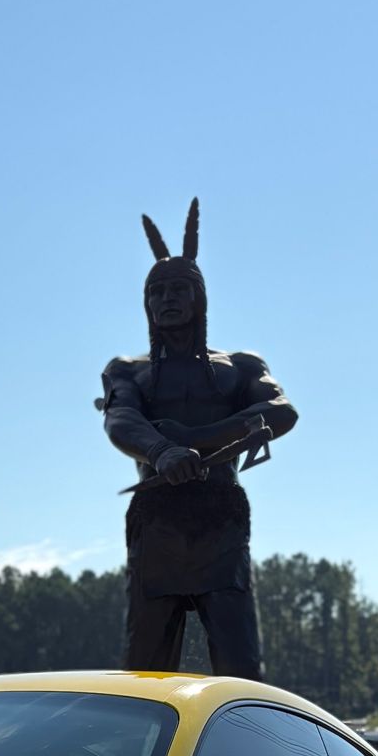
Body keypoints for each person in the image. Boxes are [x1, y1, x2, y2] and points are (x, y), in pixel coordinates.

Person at [100, 199, 297, 676]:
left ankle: (246, 742)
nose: (168, 298)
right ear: (146, 302)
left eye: (180, 289)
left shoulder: (241, 367)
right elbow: (120, 421)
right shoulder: (129, 371)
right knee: (146, 660)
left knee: (239, 659)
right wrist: (163, 451)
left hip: (219, 516)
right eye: (158, 291)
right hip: (157, 521)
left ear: (199, 298)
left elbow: (280, 409)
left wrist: (198, 438)